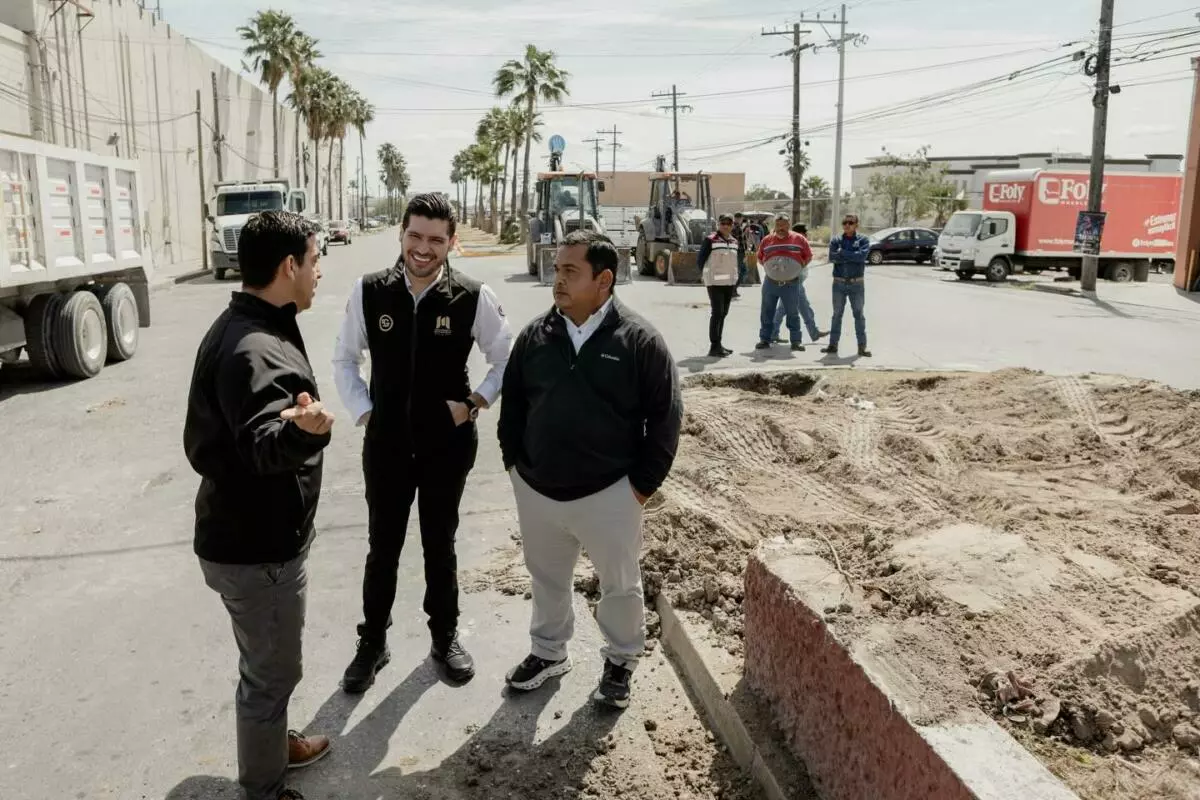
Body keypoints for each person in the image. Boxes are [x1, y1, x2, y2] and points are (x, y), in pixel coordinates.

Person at [332, 193, 513, 693]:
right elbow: (345, 358)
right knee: (383, 546)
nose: (423, 248)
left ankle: (444, 637)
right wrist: (366, 411)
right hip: (387, 445)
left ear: (451, 242)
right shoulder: (370, 291)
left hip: (446, 445)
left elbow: (505, 357)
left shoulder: (472, 296)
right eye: (415, 235)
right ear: (402, 234)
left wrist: (474, 402)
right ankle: (372, 642)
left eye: (436, 239)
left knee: (440, 542)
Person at [498, 230, 682, 710]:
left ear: (604, 280)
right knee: (546, 579)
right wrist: (515, 467)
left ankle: (621, 660)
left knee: (620, 586)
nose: (557, 279)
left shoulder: (639, 340)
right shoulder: (536, 336)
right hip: (538, 490)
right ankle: (548, 652)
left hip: (610, 492)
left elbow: (666, 420)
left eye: (569, 271)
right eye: (557, 269)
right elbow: (513, 405)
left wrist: (639, 488)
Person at [184, 210, 333, 800]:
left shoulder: (251, 324)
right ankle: (265, 787)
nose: (320, 272)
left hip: (243, 538)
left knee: (266, 664)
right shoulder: (255, 348)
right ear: (289, 265)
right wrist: (305, 430)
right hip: (258, 551)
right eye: (315, 260)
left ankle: (272, 743)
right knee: (271, 674)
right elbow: (262, 446)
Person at [754, 213, 814, 352]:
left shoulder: (799, 239)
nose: (781, 227)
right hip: (770, 283)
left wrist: (796, 268)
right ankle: (764, 339)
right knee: (767, 312)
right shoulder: (767, 240)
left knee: (793, 313)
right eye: (778, 225)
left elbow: (808, 256)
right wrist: (771, 270)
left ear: (789, 224)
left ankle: (796, 341)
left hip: (791, 283)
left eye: (784, 225)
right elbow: (760, 258)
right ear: (775, 225)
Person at [822, 213, 873, 358]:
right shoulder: (836, 240)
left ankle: (862, 347)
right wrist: (852, 256)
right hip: (839, 283)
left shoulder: (863, 240)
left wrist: (843, 253)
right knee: (837, 314)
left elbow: (862, 257)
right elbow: (833, 257)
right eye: (845, 223)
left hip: (856, 284)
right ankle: (833, 345)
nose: (847, 225)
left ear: (856, 225)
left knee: (859, 314)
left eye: (850, 223)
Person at [771, 223, 824, 343]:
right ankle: (813, 332)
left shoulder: (800, 244)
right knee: (802, 308)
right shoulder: (792, 246)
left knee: (787, 309)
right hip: (793, 282)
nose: (806, 235)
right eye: (804, 233)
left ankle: (773, 333)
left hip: (796, 281)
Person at [697, 214, 740, 357]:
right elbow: (700, 260)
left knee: (723, 314)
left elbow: (736, 262)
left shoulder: (734, 241)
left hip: (729, 283)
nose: (726, 226)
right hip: (714, 283)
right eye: (723, 223)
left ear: (732, 225)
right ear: (718, 224)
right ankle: (714, 346)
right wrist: (705, 277)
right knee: (717, 313)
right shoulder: (710, 240)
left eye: (729, 223)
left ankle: (719, 344)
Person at [732, 212, 748, 297]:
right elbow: (739, 243)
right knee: (741, 271)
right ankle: (733, 290)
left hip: (739, 252)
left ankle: (733, 289)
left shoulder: (737, 227)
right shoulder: (736, 227)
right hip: (739, 253)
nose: (741, 220)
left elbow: (742, 241)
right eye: (740, 219)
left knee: (741, 271)